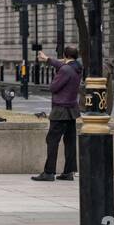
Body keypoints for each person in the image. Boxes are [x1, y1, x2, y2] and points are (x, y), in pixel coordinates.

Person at [32, 46, 81, 182]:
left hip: (60, 109)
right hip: (71, 110)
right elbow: (63, 65)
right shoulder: (77, 67)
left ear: (65, 55)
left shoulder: (65, 70)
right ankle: (69, 172)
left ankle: (49, 172)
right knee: (70, 141)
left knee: (52, 140)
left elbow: (53, 87)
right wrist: (47, 59)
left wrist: (55, 76)